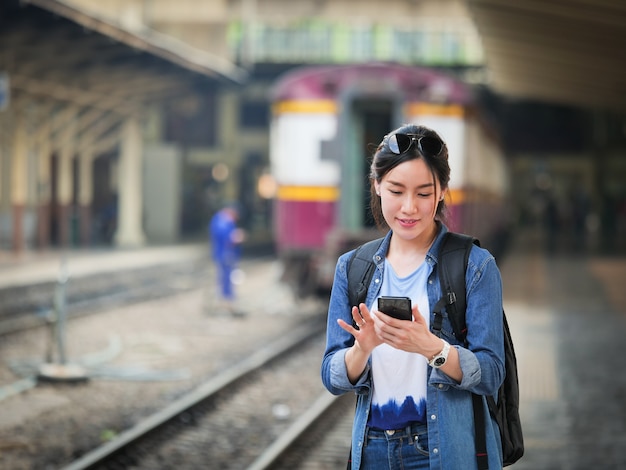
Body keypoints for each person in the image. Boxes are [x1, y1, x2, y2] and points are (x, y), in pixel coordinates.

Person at [321, 124, 506, 469]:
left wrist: (431, 348)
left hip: (441, 449)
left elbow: (492, 372)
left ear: (442, 192)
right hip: (373, 448)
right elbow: (331, 375)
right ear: (376, 185)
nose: (408, 208)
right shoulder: (353, 267)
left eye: (423, 193)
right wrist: (362, 349)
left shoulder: (475, 266)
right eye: (395, 190)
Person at [209, 202, 246, 317]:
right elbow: (225, 236)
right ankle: (225, 301)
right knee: (225, 278)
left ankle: (228, 301)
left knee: (228, 278)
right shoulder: (221, 220)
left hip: (228, 254)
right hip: (224, 254)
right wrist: (235, 237)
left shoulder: (226, 220)